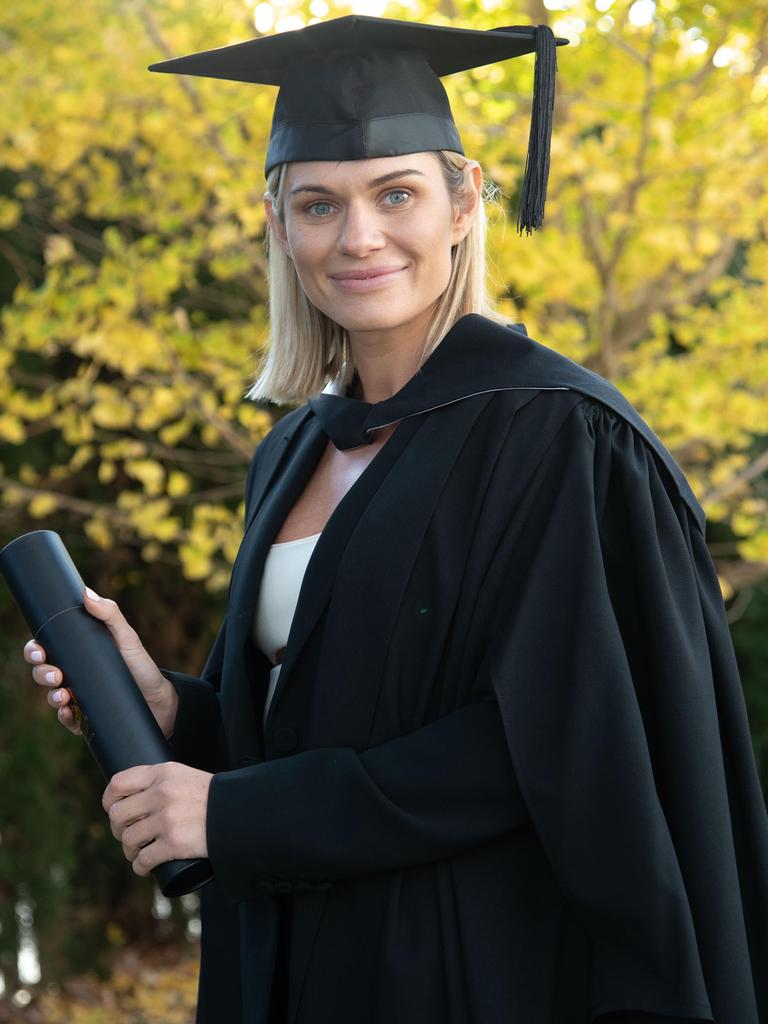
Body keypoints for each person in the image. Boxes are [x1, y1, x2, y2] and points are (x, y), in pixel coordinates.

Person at [23, 14, 768, 1024]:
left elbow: (552, 749)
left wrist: (235, 811)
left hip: (469, 968)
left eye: (397, 193)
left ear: (464, 202)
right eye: (318, 203)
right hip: (286, 966)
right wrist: (173, 711)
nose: (358, 237)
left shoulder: (558, 438)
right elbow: (325, 721)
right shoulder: (296, 450)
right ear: (280, 224)